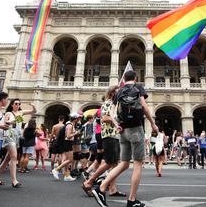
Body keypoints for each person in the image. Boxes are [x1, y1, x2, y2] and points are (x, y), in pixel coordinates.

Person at [92, 70, 158, 207]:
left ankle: (101, 187)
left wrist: (117, 125)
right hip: (136, 129)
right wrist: (152, 123)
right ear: (135, 78)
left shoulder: (119, 91)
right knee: (138, 164)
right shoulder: (138, 87)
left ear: (124, 79)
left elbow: (112, 111)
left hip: (122, 130)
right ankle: (132, 200)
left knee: (124, 163)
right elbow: (144, 106)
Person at [82, 85, 125, 197]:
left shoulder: (116, 105)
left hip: (115, 136)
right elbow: (104, 118)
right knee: (109, 162)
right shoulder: (108, 103)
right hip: (108, 135)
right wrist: (115, 121)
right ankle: (89, 182)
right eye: (118, 92)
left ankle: (112, 189)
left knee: (114, 164)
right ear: (112, 94)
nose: (120, 94)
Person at [0, 99, 36, 187]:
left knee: (7, 160)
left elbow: (34, 111)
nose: (18, 105)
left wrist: (33, 105)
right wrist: (12, 121)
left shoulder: (21, 112)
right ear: (12, 105)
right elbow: (5, 123)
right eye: (16, 103)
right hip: (9, 135)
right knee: (14, 157)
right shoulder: (8, 113)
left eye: (19, 104)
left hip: (17, 137)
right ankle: (14, 181)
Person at [52, 113, 82, 181]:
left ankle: (66, 175)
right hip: (67, 143)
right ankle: (56, 169)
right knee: (70, 159)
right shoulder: (70, 125)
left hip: (68, 143)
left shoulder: (70, 125)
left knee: (66, 160)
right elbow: (68, 136)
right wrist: (76, 133)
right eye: (78, 118)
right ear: (75, 119)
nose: (79, 119)